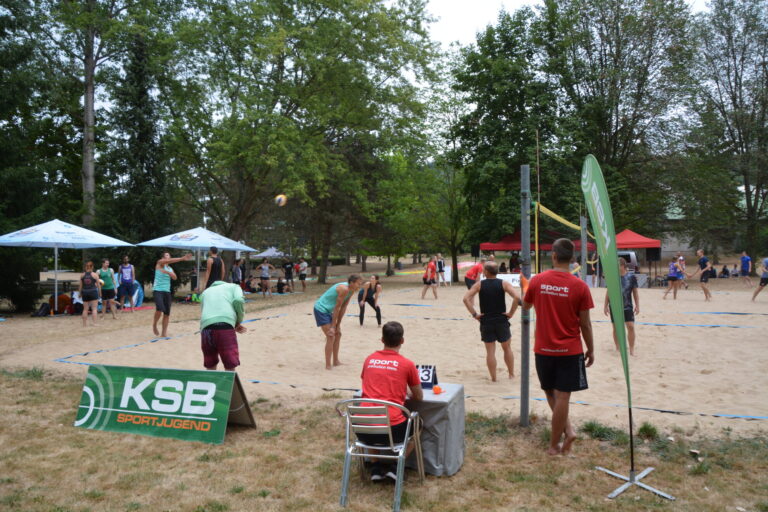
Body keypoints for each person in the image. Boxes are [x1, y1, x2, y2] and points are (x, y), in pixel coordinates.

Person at [522, 239, 594, 456]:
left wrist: (523, 290)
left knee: (550, 392)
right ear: (572, 259)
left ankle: (555, 444)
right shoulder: (580, 286)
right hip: (570, 349)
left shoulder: (538, 280)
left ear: (553, 255)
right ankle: (566, 433)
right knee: (562, 396)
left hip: (544, 348)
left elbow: (526, 306)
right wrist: (591, 349)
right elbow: (585, 324)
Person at [358, 321, 423, 481]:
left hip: (362, 430)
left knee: (372, 415)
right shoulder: (407, 364)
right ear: (402, 341)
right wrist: (405, 390)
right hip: (391, 431)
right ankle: (396, 466)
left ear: (382, 340)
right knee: (418, 424)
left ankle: (375, 467)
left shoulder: (369, 359)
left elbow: (368, 383)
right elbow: (419, 396)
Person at [463, 261, 520, 382]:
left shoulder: (479, 284)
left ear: (486, 272)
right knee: (507, 348)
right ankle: (511, 374)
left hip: (486, 320)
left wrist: (475, 314)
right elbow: (517, 297)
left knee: (490, 352)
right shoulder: (503, 283)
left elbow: (465, 299)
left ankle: (494, 378)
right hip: (501, 320)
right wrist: (511, 313)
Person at [314, 274, 364, 369]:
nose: (360, 285)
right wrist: (333, 326)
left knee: (338, 334)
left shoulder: (352, 290)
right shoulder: (344, 289)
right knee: (331, 336)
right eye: (358, 283)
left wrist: (338, 325)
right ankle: (328, 365)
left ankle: (336, 361)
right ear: (352, 282)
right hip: (321, 310)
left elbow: (343, 307)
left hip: (329, 311)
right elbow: (337, 308)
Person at [199, 280, 247, 370]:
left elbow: (203, 310)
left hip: (206, 328)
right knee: (230, 364)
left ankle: (211, 379)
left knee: (210, 364)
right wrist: (238, 321)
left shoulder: (205, 292)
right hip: (225, 328)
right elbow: (239, 300)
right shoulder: (234, 286)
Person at [604, 258, 640, 355]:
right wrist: (605, 306)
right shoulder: (612, 277)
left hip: (627, 306)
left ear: (623, 266)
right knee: (616, 328)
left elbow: (635, 293)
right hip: (614, 306)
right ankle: (618, 348)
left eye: (617, 265)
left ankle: (631, 349)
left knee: (631, 327)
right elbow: (608, 292)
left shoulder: (631, 277)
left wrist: (637, 305)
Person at [153, 252, 193, 337]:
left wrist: (169, 273)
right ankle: (154, 324)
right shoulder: (159, 263)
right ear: (163, 258)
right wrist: (182, 258)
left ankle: (164, 333)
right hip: (158, 290)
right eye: (166, 256)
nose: (168, 257)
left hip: (167, 291)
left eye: (169, 255)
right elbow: (169, 261)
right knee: (159, 309)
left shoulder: (170, 268)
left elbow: (175, 278)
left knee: (167, 313)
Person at [79, 261, 101, 327]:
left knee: (85, 309)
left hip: (85, 292)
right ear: (92, 267)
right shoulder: (95, 275)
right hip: (93, 292)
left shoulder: (82, 275)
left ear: (86, 267)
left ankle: (84, 324)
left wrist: (80, 293)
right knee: (94, 308)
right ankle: (94, 323)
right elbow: (98, 285)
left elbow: (80, 286)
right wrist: (100, 293)